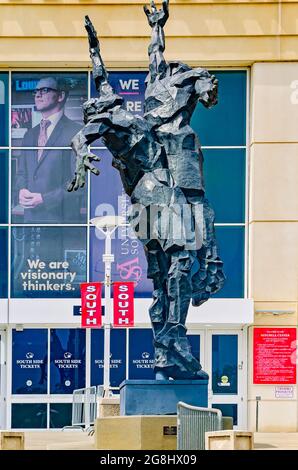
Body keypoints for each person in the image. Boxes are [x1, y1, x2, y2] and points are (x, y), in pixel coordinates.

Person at [68, 6, 224, 380]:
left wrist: (152, 29)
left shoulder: (141, 118)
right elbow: (93, 120)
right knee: (180, 267)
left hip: (152, 204)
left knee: (166, 272)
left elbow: (149, 63)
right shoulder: (136, 124)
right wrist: (80, 153)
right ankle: (175, 339)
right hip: (164, 200)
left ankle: (167, 347)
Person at [15, 76, 84, 223]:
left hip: (62, 222)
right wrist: (21, 190)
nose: (38, 95)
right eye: (36, 91)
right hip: (31, 220)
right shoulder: (30, 135)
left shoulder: (76, 132)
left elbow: (80, 182)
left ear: (60, 96)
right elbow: (21, 173)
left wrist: (44, 199)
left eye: (44, 90)